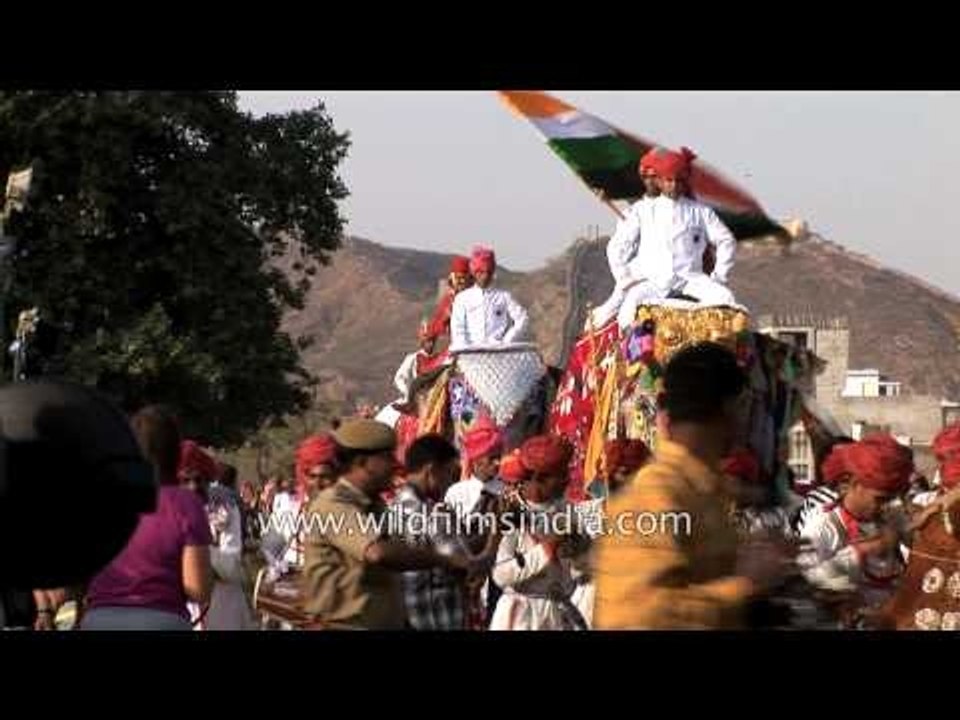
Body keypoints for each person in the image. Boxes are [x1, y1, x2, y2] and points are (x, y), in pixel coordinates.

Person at [594, 343, 793, 629]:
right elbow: (643, 617)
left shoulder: (706, 490)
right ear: (732, 407)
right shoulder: (657, 493)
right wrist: (746, 583)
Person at [300, 419, 473, 629]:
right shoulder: (333, 504)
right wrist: (445, 560)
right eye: (386, 458)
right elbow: (379, 553)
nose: (394, 465)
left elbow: (399, 559)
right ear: (362, 463)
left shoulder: (375, 504)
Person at [82, 406, 213, 630]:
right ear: (174, 453)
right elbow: (198, 589)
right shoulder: (187, 504)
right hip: (162, 619)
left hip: (99, 618)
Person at [615, 148, 739, 329]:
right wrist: (625, 278)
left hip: (690, 279)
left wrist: (719, 276)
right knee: (627, 311)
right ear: (659, 181)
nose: (673, 186)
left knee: (725, 298)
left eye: (678, 181)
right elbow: (618, 247)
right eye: (669, 180)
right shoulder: (641, 211)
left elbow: (726, 241)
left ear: (684, 182)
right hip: (654, 281)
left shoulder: (700, 212)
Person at [796, 434, 915, 623]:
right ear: (851, 484)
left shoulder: (891, 517)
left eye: (891, 499)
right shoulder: (822, 525)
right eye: (881, 499)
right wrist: (862, 551)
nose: (886, 507)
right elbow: (806, 583)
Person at [490, 435, 588, 630]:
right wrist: (547, 548)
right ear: (539, 478)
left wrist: (579, 548)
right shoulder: (508, 510)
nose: (568, 480)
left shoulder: (568, 510)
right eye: (561, 475)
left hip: (557, 614)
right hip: (520, 616)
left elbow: (580, 569)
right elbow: (500, 574)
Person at [387, 434, 468, 630]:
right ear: (431, 470)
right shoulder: (431, 514)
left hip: (409, 616)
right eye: (449, 473)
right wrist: (495, 535)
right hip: (437, 618)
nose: (449, 482)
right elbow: (465, 565)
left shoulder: (393, 508)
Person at [589, 148, 664, 329]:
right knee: (620, 316)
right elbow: (616, 250)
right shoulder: (634, 213)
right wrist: (626, 279)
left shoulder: (684, 209)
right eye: (648, 177)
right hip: (640, 278)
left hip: (680, 278)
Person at [449, 245, 529, 350]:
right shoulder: (462, 298)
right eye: (481, 272)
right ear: (474, 273)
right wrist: (465, 349)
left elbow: (522, 318)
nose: (485, 276)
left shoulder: (503, 297)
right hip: (469, 354)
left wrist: (506, 341)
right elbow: (458, 328)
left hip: (498, 354)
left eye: (489, 272)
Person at [422, 255, 473, 345]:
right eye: (458, 278)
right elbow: (437, 323)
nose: (461, 281)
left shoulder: (475, 297)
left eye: (463, 278)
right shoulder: (449, 299)